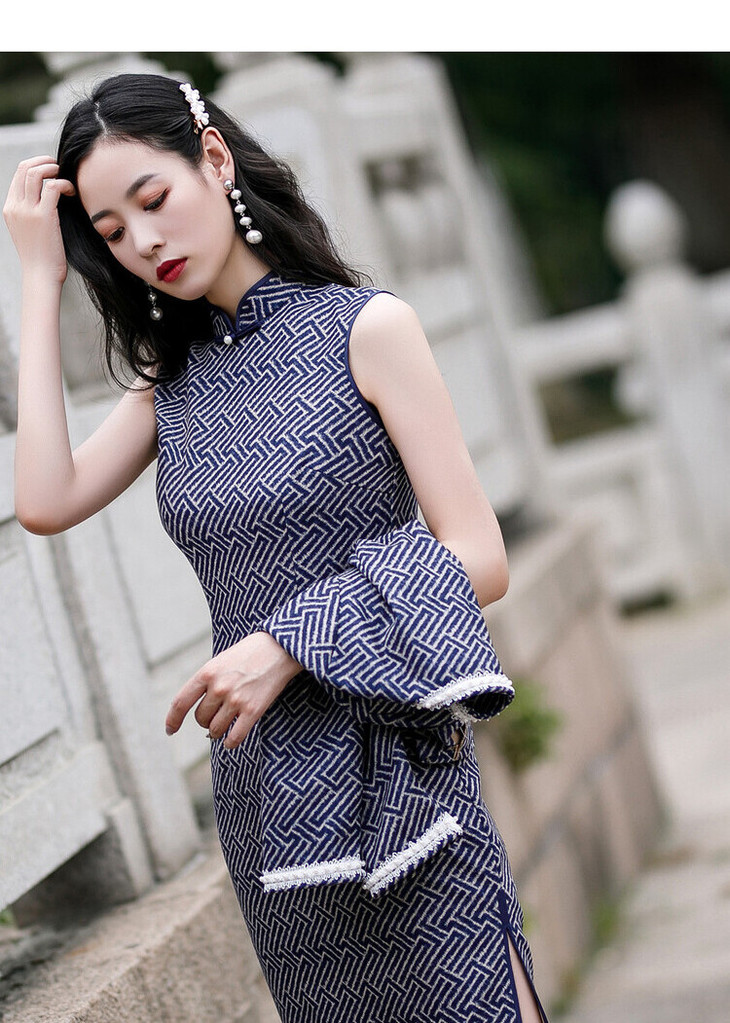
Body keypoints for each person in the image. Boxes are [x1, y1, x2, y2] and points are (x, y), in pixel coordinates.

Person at [4, 72, 549, 1023]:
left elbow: (480, 555)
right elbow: (45, 501)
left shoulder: (365, 329)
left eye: (153, 198)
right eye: (114, 231)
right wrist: (38, 283)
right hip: (267, 795)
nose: (144, 242)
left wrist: (291, 640)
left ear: (213, 160)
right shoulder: (168, 387)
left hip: (397, 765)